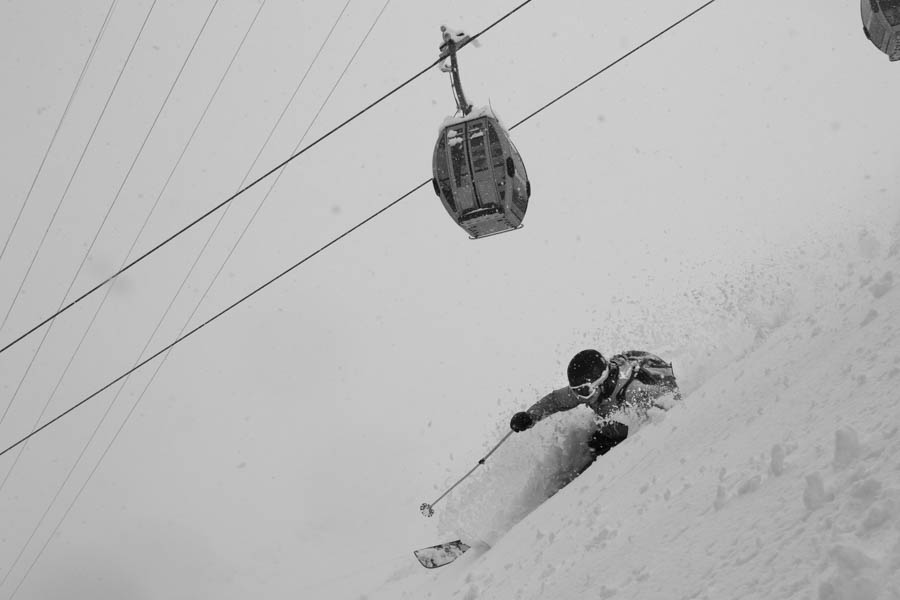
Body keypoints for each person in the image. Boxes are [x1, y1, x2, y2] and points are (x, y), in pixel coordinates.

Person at [509, 349, 680, 460]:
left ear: (601, 381)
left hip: (654, 386)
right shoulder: (588, 390)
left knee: (615, 432)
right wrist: (530, 416)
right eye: (575, 391)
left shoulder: (633, 391)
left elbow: (670, 411)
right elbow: (555, 400)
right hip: (619, 402)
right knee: (596, 440)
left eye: (583, 391)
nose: (580, 397)